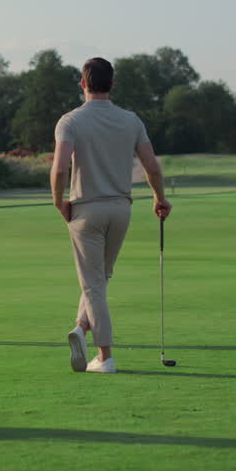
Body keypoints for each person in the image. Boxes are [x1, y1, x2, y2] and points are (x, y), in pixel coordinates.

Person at [51, 57, 172, 373]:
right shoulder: (131, 120)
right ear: (112, 84)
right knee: (100, 278)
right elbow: (152, 166)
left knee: (92, 282)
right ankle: (80, 327)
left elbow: (60, 167)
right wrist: (160, 198)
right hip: (121, 209)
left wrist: (58, 201)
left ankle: (105, 357)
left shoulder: (70, 121)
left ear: (83, 84)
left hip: (86, 209)